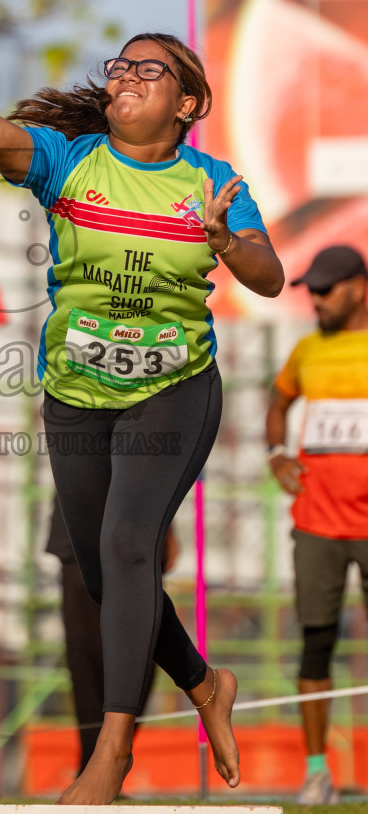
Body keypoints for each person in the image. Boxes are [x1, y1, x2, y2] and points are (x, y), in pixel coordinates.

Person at [0, 16, 284, 803]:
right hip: (74, 391)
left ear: (188, 104)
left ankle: (110, 756)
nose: (126, 77)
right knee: (103, 571)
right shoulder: (69, 164)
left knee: (132, 542)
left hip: (174, 387)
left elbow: (269, 276)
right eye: (120, 67)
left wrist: (226, 241)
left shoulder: (213, 184)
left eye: (150, 71)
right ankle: (206, 685)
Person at [265, 244, 368, 806]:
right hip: (318, 525)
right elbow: (277, 402)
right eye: (312, 291)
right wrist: (277, 451)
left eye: (327, 289)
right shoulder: (306, 352)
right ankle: (316, 773)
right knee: (315, 647)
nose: (317, 300)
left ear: (359, 286)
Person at [46, 500, 179, 776]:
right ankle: (92, 767)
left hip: (136, 537)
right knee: (87, 661)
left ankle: (103, 764)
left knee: (143, 655)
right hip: (80, 536)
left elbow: (148, 468)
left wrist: (168, 528)